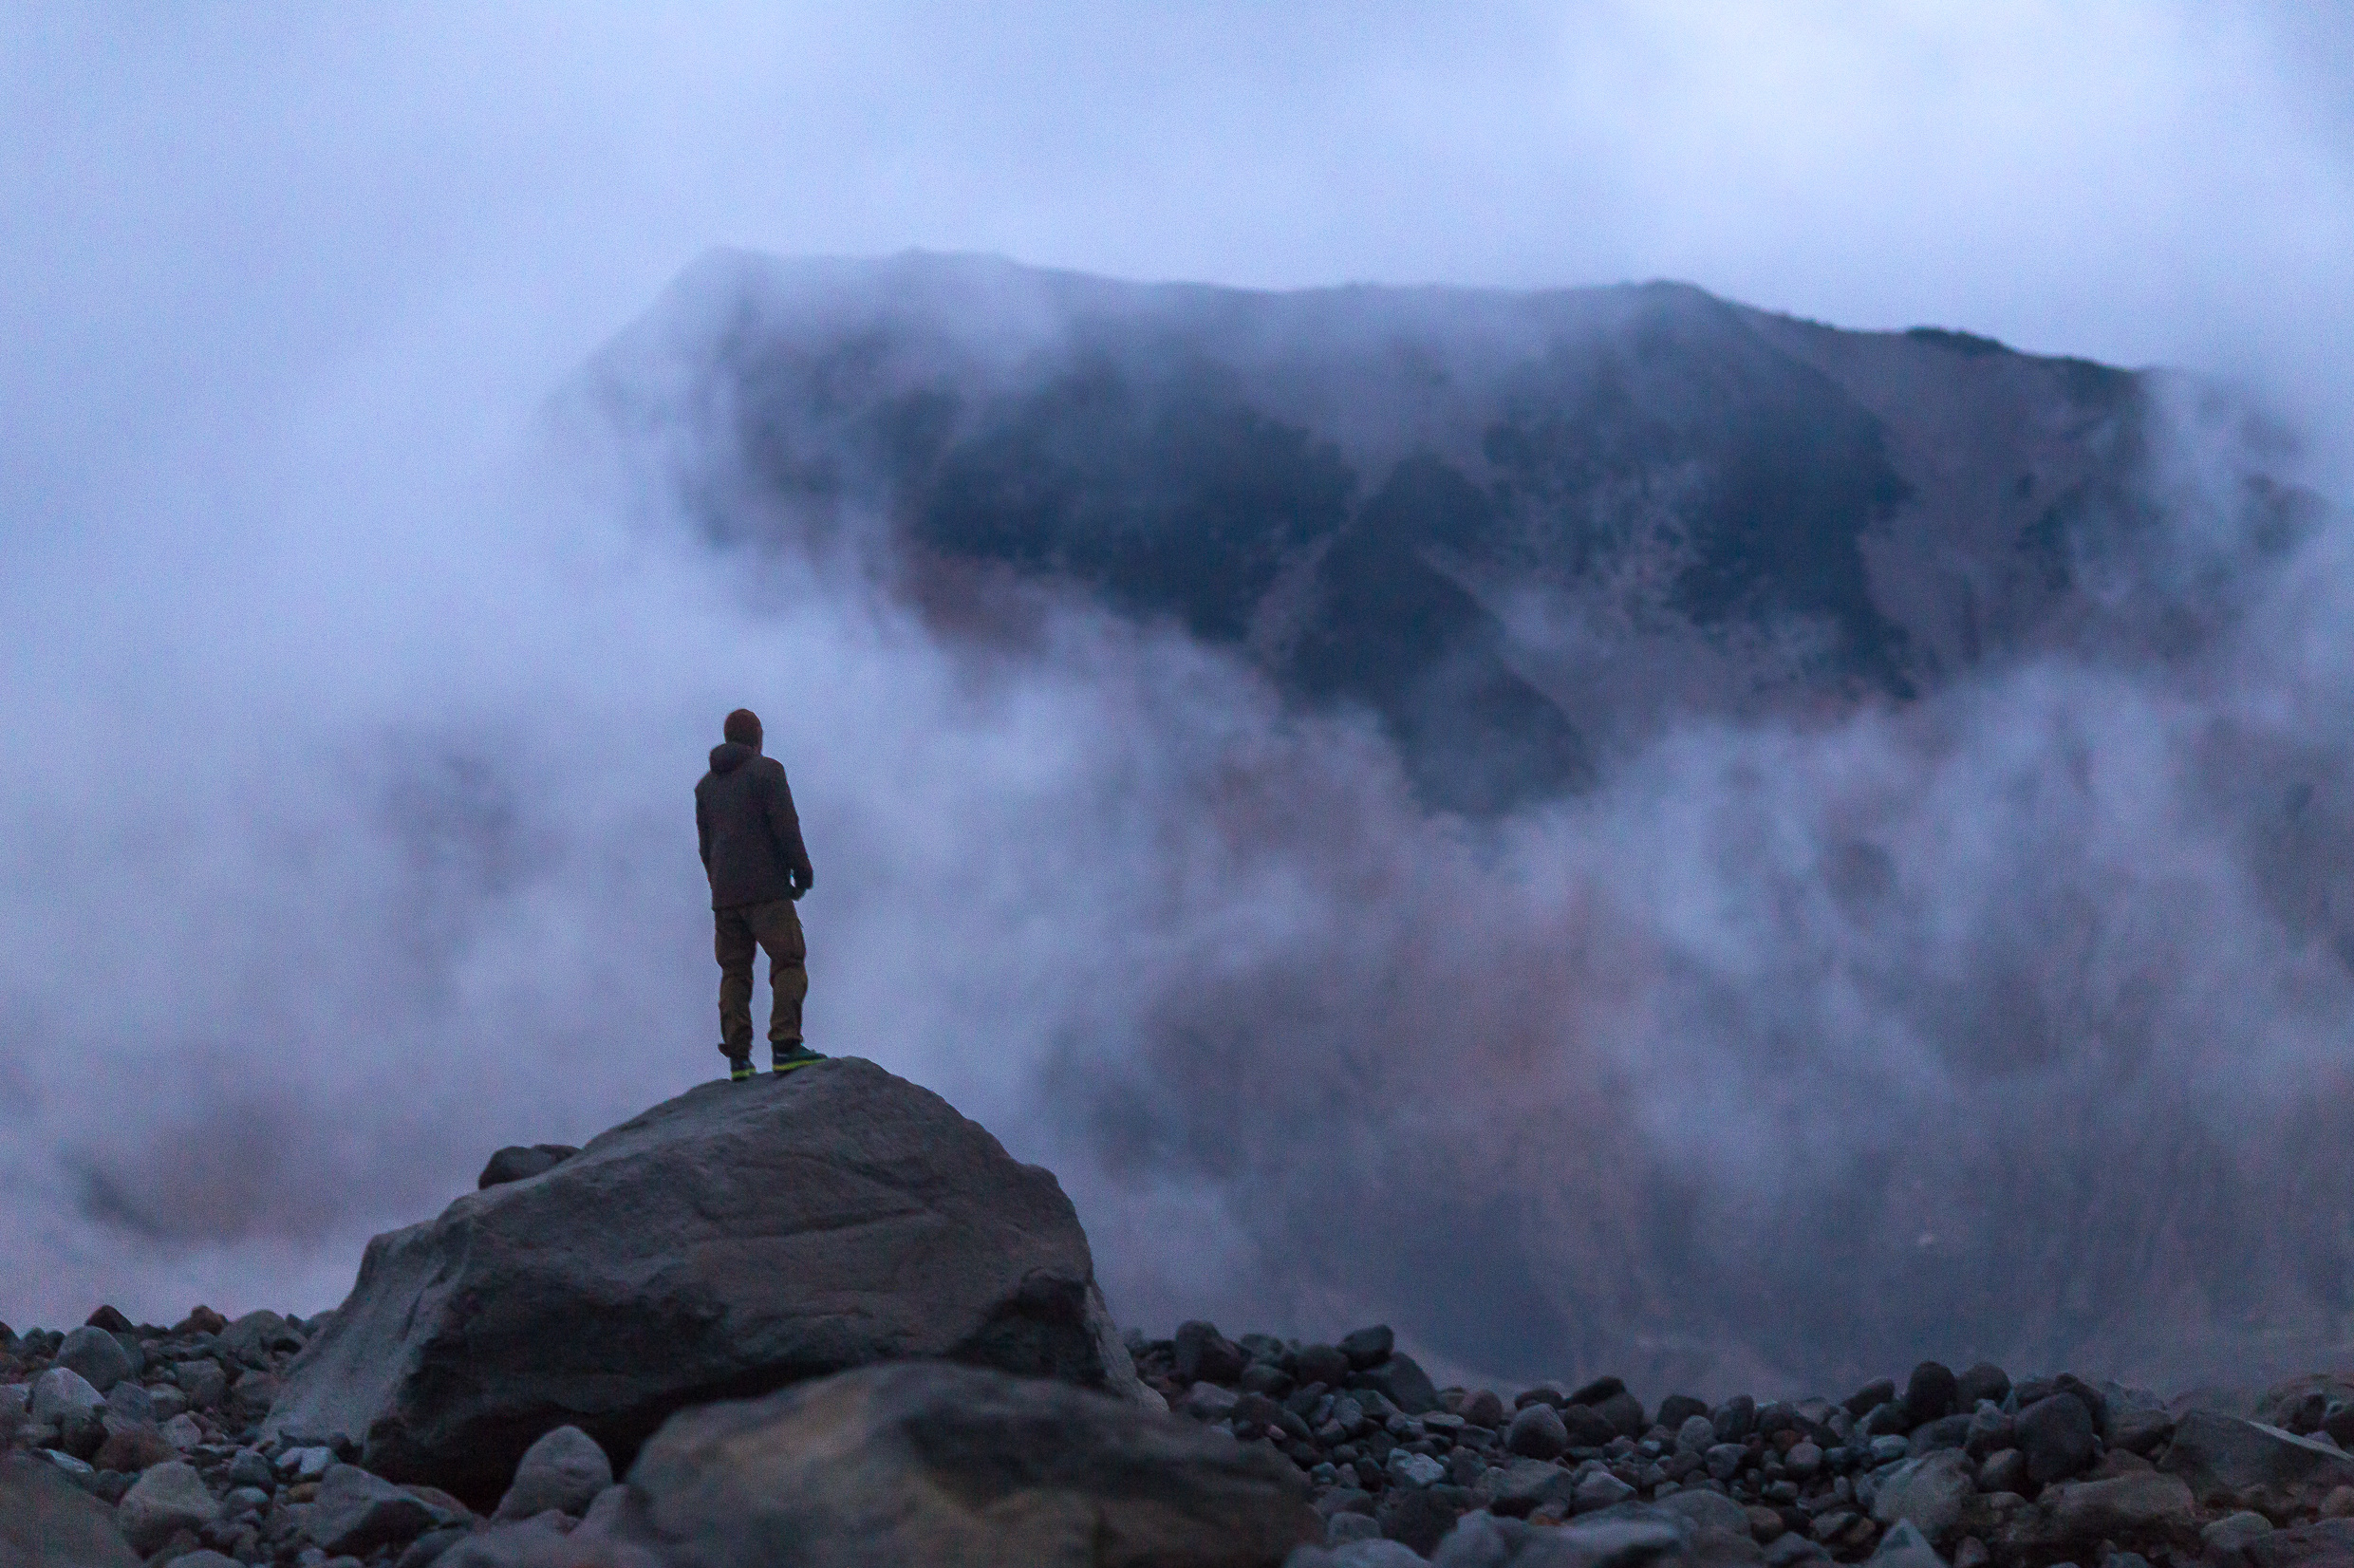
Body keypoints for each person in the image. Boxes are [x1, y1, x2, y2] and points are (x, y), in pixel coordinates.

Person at [695, 708, 826, 1080]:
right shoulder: (768, 772)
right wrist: (802, 871)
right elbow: (786, 826)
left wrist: (719, 885)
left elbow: (706, 848)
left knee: (734, 972)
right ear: (757, 737)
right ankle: (785, 1045)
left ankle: (738, 1059)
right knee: (788, 960)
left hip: (725, 897)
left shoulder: (705, 787)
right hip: (767, 891)